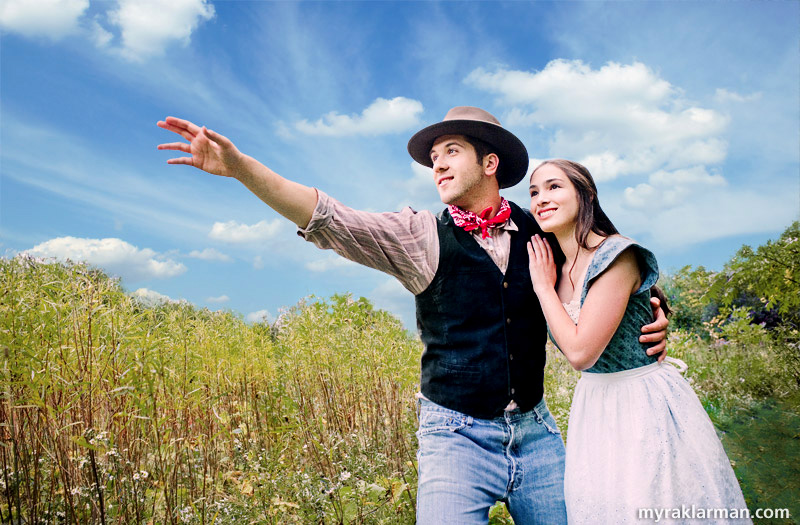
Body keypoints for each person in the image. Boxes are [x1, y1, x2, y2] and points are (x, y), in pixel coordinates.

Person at [157, 107, 669, 524]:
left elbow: (599, 271)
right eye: (432, 157)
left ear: (490, 163)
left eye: (452, 151)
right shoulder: (418, 235)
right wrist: (243, 168)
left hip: (537, 432)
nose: (438, 165)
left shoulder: (542, 231)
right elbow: (327, 216)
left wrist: (652, 315)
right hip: (454, 435)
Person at [526, 159, 750, 524]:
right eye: (534, 192)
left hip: (641, 402)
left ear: (585, 195)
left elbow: (581, 352)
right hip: (595, 404)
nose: (541, 199)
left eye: (554, 187)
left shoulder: (618, 255)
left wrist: (540, 287)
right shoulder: (550, 264)